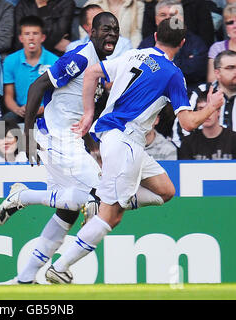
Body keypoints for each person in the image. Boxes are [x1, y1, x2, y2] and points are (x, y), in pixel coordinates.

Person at [44, 18, 224, 284]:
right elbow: (187, 123)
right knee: (111, 217)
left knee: (166, 191)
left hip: (123, 140)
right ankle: (61, 267)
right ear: (183, 43)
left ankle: (106, 197)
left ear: (154, 36)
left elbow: (93, 72)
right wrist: (211, 107)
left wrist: (88, 113)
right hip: (124, 141)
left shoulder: (134, 54)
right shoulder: (174, 74)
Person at [0, 12, 123, 284]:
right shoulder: (80, 58)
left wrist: (92, 147)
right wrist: (27, 134)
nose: (111, 33)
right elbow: (36, 86)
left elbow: (77, 110)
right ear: (92, 32)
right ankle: (25, 198)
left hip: (69, 139)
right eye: (105, 29)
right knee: (97, 196)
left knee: (68, 211)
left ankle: (25, 278)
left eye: (115, 29)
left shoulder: (98, 66)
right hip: (56, 137)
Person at [138, 0, 208, 92]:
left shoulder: (196, 43)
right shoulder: (146, 44)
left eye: (172, 15)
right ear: (156, 20)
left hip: (189, 93)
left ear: (182, 18)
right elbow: (141, 71)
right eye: (163, 15)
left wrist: (158, 68)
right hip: (153, 93)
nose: (168, 19)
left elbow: (198, 72)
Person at [172, 50, 236, 147]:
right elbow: (180, 129)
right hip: (201, 158)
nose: (235, 71)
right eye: (230, 68)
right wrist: (190, 156)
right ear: (217, 73)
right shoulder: (201, 91)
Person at [2, 15, 58, 123]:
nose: (31, 38)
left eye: (35, 33)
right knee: (2, 124)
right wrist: (17, 109)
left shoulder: (55, 61)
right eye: (27, 34)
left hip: (47, 112)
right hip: (20, 111)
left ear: (43, 37)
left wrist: (40, 109)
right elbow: (8, 96)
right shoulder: (10, 60)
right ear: (21, 38)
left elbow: (60, 96)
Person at [178, 91, 236, 159]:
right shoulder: (188, 142)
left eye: (210, 109)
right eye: (201, 109)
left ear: (219, 111)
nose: (207, 114)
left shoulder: (233, 139)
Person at [67, 4, 133, 58]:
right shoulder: (73, 48)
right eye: (97, 19)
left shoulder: (124, 44)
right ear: (86, 27)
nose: (105, 20)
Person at [141, 0, 215, 49]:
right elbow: (147, 38)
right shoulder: (151, 6)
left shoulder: (199, 4)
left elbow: (207, 39)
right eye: (163, 15)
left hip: (191, 51)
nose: (168, 18)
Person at [207, 3, 236, 82]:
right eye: (230, 22)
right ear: (225, 27)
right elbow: (211, 80)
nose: (235, 26)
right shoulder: (217, 48)